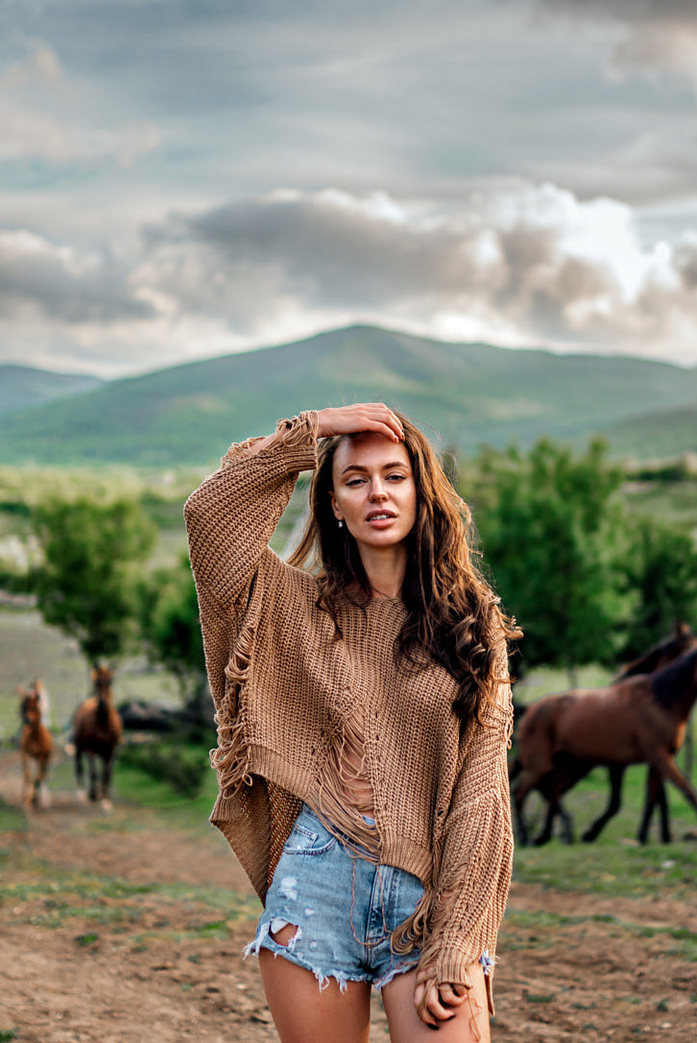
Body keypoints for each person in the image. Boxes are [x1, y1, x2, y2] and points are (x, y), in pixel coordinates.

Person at [184, 403, 518, 1042]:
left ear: (422, 492)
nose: (378, 493)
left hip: (427, 895)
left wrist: (457, 934)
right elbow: (209, 518)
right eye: (356, 478)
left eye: (395, 475)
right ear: (333, 500)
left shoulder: (472, 626)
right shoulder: (292, 608)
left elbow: (483, 796)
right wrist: (314, 430)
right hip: (315, 883)